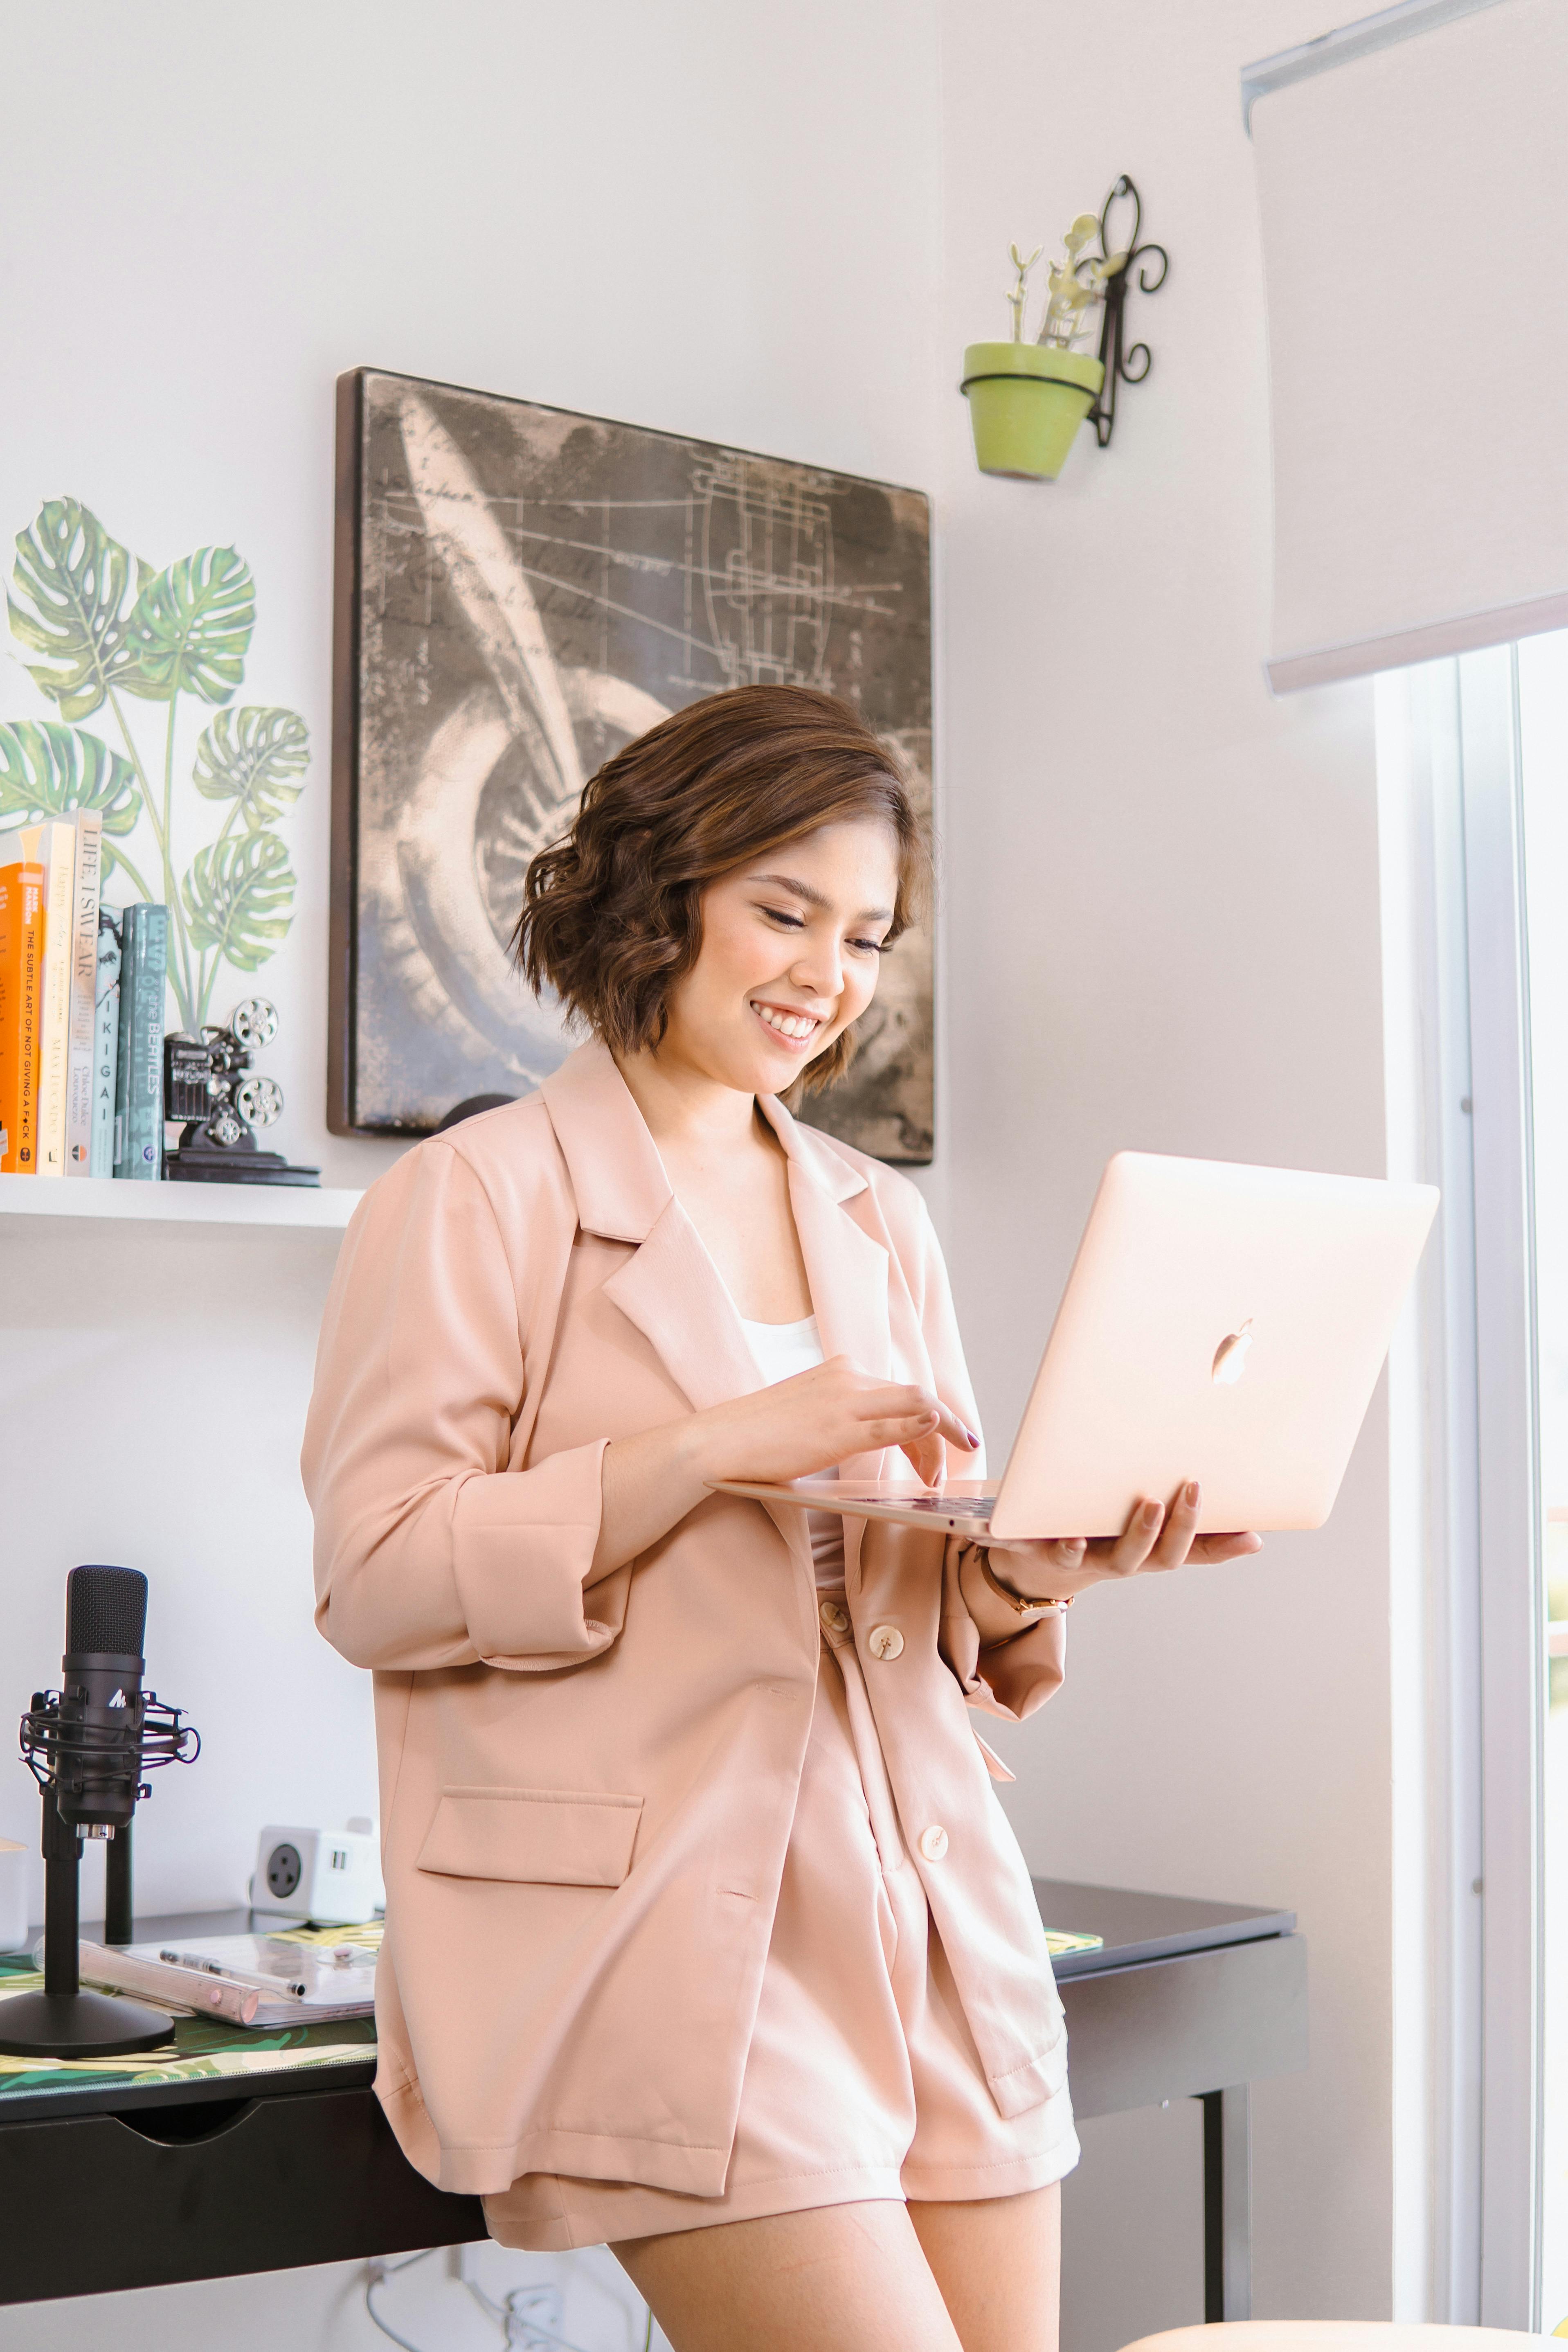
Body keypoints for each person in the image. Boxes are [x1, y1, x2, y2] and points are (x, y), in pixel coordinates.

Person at [302, 685, 1260, 2352]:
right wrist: (701, 1449)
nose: (827, 975)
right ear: (656, 896)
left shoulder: (875, 1220)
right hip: (669, 1940)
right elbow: (377, 1576)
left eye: (866, 936)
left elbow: (920, 1603)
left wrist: (1027, 1574)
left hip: (927, 1916)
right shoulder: (471, 1200)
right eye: (783, 912)